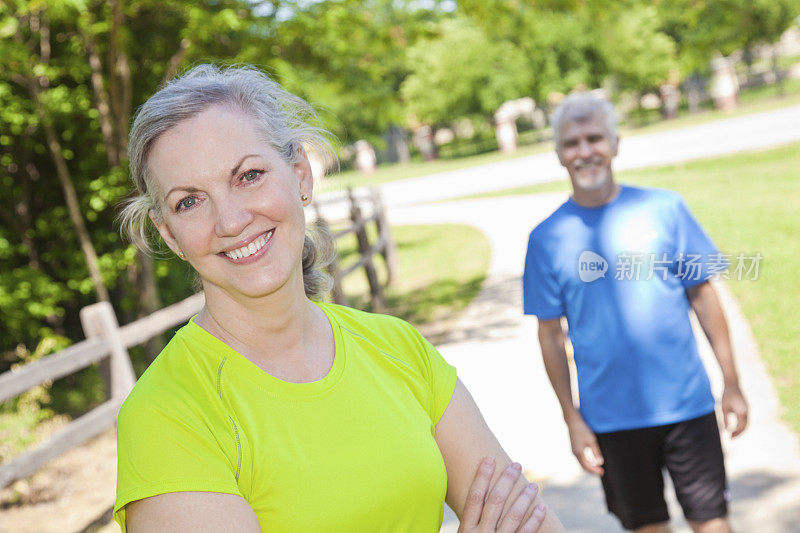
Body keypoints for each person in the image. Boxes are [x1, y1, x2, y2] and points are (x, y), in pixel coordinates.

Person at [114, 64, 565, 533]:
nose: (230, 220)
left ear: (301, 175)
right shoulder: (167, 414)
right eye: (190, 201)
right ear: (170, 236)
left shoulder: (397, 347)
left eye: (248, 175)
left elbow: (534, 524)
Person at [522, 92, 749, 533]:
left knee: (714, 523)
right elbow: (550, 336)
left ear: (616, 143)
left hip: (687, 406)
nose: (585, 151)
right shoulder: (545, 238)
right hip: (611, 418)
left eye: (594, 138)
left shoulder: (664, 209)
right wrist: (573, 420)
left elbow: (704, 298)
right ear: (558, 155)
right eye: (572, 143)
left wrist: (733, 384)